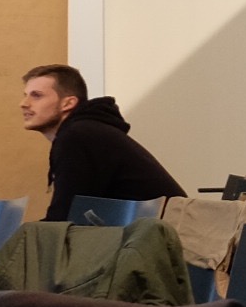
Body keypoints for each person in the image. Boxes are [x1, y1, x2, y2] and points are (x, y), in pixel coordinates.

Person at [18, 64, 181, 221]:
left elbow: (65, 217)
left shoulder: (78, 136)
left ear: (68, 103)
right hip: (154, 232)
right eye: (25, 95)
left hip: (170, 235)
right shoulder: (86, 131)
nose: (24, 104)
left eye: (36, 95)